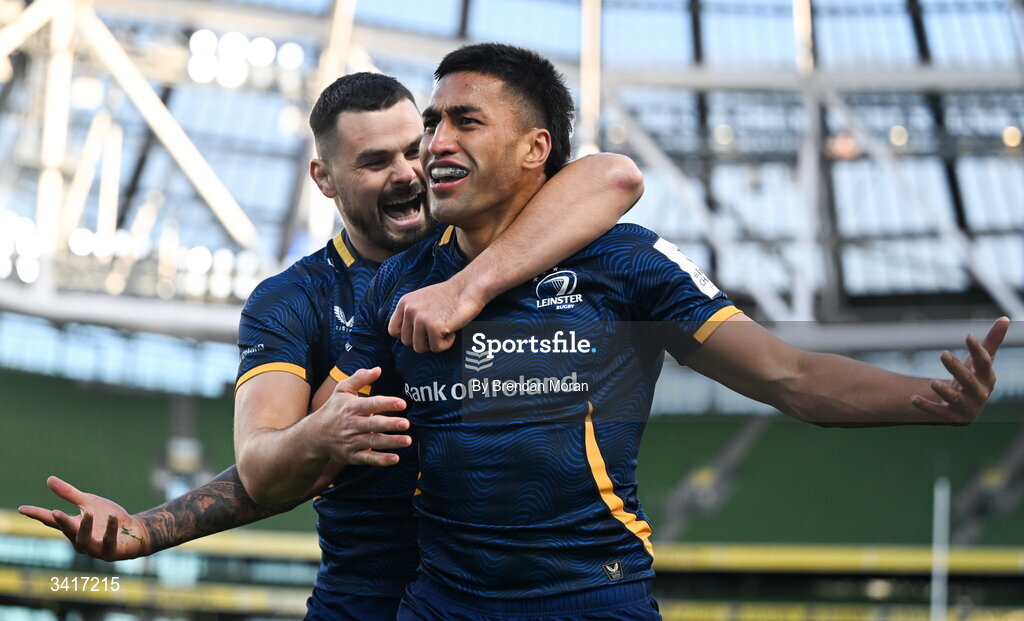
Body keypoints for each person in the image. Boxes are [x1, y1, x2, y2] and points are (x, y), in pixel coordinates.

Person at [253, 43, 1006, 620]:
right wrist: (173, 519)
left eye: (465, 121)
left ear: (534, 149)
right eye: (432, 122)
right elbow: (309, 447)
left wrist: (931, 398)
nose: (434, 143)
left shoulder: (626, 261)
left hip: (592, 597)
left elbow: (790, 376)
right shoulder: (399, 280)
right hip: (440, 603)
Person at [18, 71, 645, 619]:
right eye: (375, 162)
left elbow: (611, 175)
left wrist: (471, 286)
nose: (407, 173)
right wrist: (152, 529)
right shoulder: (295, 300)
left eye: (413, 149)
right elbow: (265, 467)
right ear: (324, 177)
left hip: (520, 595)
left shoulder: (506, 243)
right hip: (366, 596)